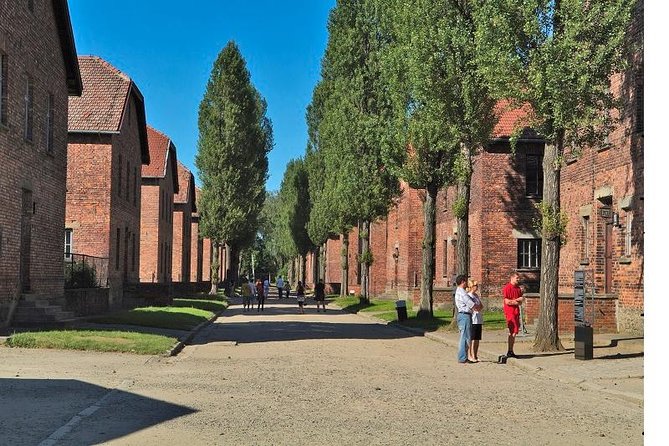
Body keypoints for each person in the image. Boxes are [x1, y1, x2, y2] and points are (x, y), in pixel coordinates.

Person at [454, 274, 482, 364]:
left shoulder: (460, 291)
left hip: (465, 315)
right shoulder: (462, 293)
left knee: (466, 336)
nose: (467, 283)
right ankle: (463, 357)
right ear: (463, 282)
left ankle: (464, 356)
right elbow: (471, 304)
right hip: (464, 315)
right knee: (465, 337)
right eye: (466, 281)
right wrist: (476, 306)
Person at [502, 272, 524, 358]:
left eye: (519, 278)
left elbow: (521, 301)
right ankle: (509, 351)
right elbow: (507, 301)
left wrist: (518, 301)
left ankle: (511, 350)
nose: (518, 280)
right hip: (510, 312)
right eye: (517, 278)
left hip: (516, 312)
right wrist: (516, 301)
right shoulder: (507, 288)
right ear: (512, 278)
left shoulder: (518, 289)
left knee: (515, 332)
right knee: (512, 331)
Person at [467, 279, 483, 363]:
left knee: (477, 338)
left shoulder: (476, 296)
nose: (477, 287)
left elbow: (481, 306)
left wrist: (478, 307)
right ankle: (471, 355)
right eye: (475, 285)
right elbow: (474, 307)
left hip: (478, 319)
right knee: (472, 338)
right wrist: (477, 307)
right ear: (471, 287)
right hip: (473, 319)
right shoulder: (469, 296)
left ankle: (476, 355)